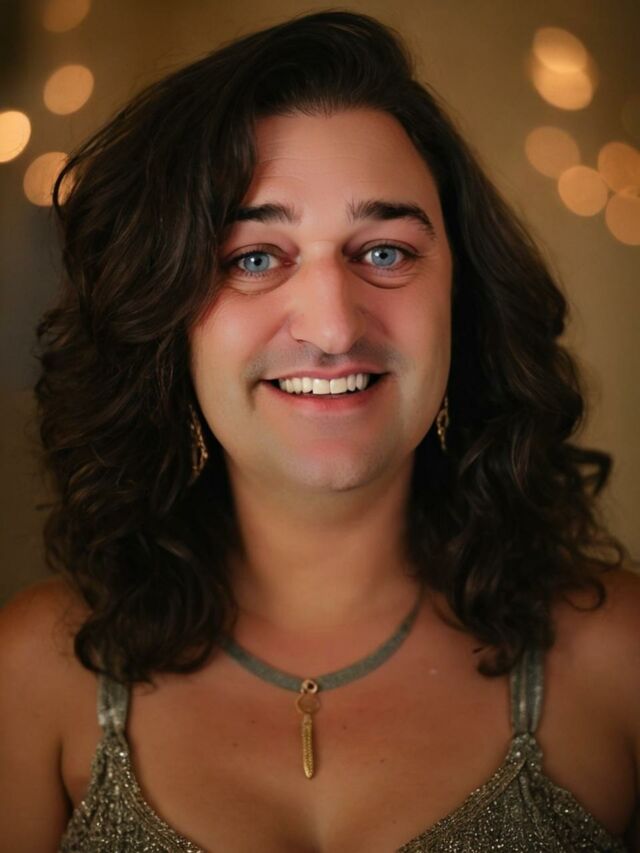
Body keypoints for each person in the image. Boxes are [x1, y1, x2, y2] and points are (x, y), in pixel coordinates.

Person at [0, 9, 638, 852]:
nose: (334, 327)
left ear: (463, 300)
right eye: (254, 257)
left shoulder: (621, 660)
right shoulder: (32, 675)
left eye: (385, 252)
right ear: (164, 320)